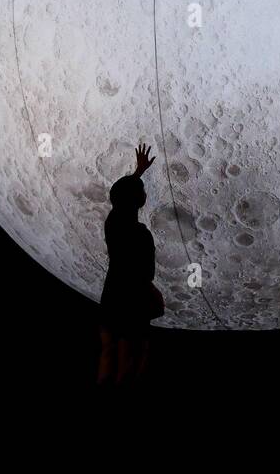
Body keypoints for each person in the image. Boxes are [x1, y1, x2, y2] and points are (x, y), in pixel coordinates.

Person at [97, 142, 164, 386]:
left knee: (107, 352)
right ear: (139, 201)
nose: (145, 192)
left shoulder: (112, 223)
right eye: (143, 190)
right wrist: (154, 295)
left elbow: (121, 194)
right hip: (132, 302)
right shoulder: (141, 235)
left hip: (112, 295)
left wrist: (138, 172)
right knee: (131, 357)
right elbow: (146, 274)